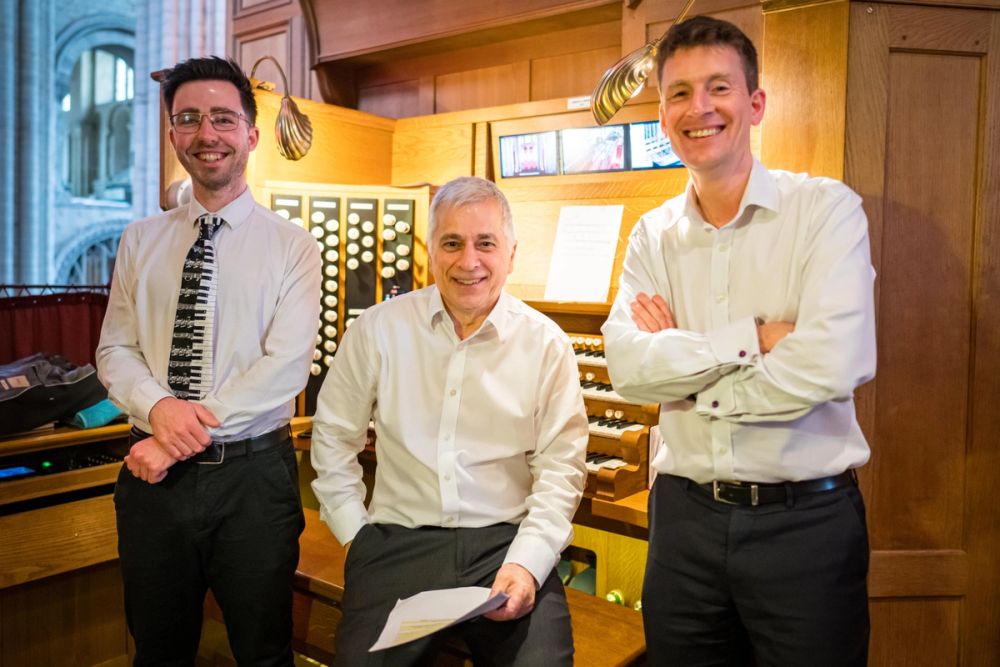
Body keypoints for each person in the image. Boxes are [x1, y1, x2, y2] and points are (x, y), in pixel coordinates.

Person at [602, 16, 876, 666]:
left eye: (718, 87)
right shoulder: (652, 234)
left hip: (804, 525)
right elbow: (629, 371)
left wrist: (687, 374)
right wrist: (753, 337)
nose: (698, 107)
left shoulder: (826, 211)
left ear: (755, 104)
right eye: (679, 93)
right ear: (663, 116)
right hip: (684, 524)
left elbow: (834, 363)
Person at [96, 56, 321, 666]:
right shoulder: (140, 240)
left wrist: (176, 437)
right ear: (173, 136)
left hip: (253, 483)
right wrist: (160, 409)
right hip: (153, 485)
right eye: (188, 119)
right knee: (157, 651)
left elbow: (286, 365)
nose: (206, 133)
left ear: (251, 134)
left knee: (264, 652)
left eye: (223, 118)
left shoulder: (294, 247)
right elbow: (115, 349)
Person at [310, 176, 589, 666]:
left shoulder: (546, 344)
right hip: (397, 542)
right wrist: (357, 536)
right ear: (431, 250)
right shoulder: (378, 329)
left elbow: (561, 470)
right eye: (453, 243)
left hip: (506, 542)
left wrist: (527, 564)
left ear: (511, 254)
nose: (469, 261)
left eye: (486, 243)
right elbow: (333, 437)